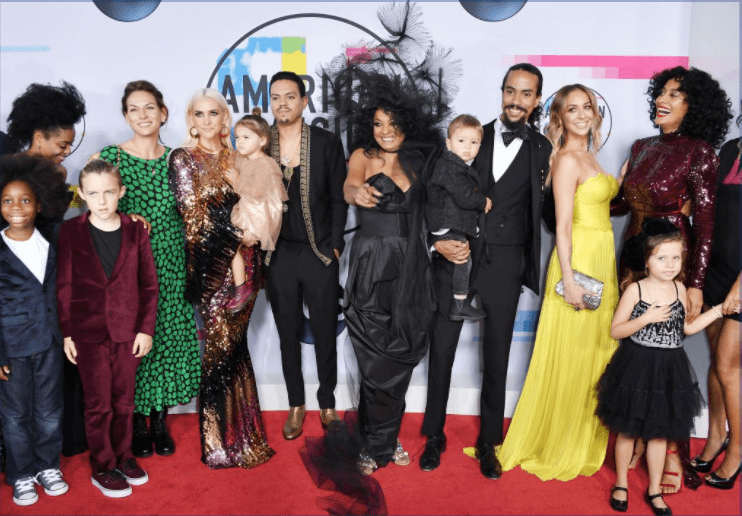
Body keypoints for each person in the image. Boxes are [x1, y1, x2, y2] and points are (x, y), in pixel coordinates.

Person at [420, 63, 551, 479]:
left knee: (497, 354)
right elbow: (431, 192)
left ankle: (489, 442)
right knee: (441, 348)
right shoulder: (472, 135)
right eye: (510, 90)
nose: (516, 100)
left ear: (536, 100)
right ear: (501, 92)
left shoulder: (543, 147)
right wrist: (435, 240)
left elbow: (545, 212)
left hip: (508, 262)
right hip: (457, 254)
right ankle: (434, 435)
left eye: (526, 93)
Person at [611, 66, 732, 493]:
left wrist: (695, 283)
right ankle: (638, 439)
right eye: (661, 92)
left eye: (675, 95)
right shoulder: (641, 146)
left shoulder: (700, 152)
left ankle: (674, 452)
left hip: (671, 260)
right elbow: (619, 205)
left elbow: (706, 225)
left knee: (666, 360)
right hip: (631, 258)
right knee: (636, 354)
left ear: (693, 106)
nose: (663, 99)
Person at [496, 84, 620, 481]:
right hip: (579, 260)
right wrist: (569, 281)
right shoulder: (566, 159)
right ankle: (561, 440)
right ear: (559, 117)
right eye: (572, 109)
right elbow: (562, 229)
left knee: (594, 354)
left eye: (588, 107)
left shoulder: (590, 156)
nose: (582, 114)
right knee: (573, 352)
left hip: (602, 259)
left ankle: (581, 433)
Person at [597, 218, 735, 516]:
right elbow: (616, 330)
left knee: (659, 433)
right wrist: (645, 319)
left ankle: (655, 488)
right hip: (637, 364)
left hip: (670, 367)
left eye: (676, 257)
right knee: (627, 431)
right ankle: (620, 482)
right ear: (647, 261)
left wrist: (718, 310)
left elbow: (687, 329)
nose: (670, 264)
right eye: (662, 258)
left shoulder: (680, 289)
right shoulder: (636, 290)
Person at [169, 88, 274, 469]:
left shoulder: (239, 156)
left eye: (214, 113)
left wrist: (256, 232)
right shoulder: (183, 159)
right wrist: (235, 236)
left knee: (236, 347)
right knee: (218, 350)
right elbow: (192, 217)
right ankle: (220, 443)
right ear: (191, 121)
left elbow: (262, 200)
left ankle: (246, 437)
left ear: (225, 118)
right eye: (199, 114)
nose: (207, 120)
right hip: (212, 267)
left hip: (248, 263)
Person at [96, 80, 199, 458]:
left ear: (163, 113)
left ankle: (160, 420)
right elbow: (94, 209)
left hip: (172, 264)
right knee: (135, 342)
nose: (142, 115)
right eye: (134, 109)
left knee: (168, 340)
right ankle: (137, 422)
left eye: (149, 107)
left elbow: (194, 211)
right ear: (125, 116)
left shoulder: (179, 158)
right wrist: (123, 216)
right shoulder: (110, 159)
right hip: (128, 269)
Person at [342, 75, 439, 474]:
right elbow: (349, 187)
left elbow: (441, 204)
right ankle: (375, 445)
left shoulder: (423, 159)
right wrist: (357, 193)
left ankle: (382, 436)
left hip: (412, 266)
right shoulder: (362, 156)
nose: (384, 132)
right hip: (371, 264)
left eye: (393, 123)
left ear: (408, 124)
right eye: (378, 123)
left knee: (401, 356)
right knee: (374, 358)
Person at [57, 160, 158, 498]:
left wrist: (145, 329)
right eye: (94, 194)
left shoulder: (135, 230)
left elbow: (148, 285)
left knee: (125, 401)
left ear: (121, 193)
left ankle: (124, 456)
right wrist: (68, 332)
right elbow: (65, 285)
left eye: (109, 193)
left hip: (128, 331)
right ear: (82, 194)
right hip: (87, 333)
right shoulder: (71, 232)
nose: (102, 201)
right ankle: (103, 465)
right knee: (98, 404)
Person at [263, 71, 348, 440]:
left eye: (290, 96)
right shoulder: (260, 144)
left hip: (318, 252)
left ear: (303, 101)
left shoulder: (327, 143)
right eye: (276, 97)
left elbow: (338, 198)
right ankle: (295, 405)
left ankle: (327, 401)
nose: (283, 103)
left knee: (326, 329)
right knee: (287, 332)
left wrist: (335, 245)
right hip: (278, 253)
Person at [0, 155, 70, 506]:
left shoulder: (50, 241)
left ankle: (47, 465)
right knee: (15, 415)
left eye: (25, 200)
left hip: (50, 341)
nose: (17, 207)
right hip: (12, 347)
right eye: (8, 200)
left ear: (39, 203)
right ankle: (22, 473)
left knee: (49, 410)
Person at [690, 129, 742, 489]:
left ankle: (737, 451)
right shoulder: (729, 149)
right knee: (715, 362)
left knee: (728, 366)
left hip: (741, 277)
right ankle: (714, 438)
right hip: (716, 271)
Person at [425, 114, 492, 321]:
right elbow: (464, 198)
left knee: (464, 261)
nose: (467, 147)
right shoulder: (449, 166)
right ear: (448, 143)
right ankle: (459, 305)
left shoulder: (456, 165)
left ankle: (459, 304)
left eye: (474, 142)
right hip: (445, 223)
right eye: (461, 141)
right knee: (464, 261)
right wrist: (483, 202)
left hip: (449, 221)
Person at [225, 107, 287, 313]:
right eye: (237, 137)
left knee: (232, 242)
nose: (239, 142)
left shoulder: (266, 164)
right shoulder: (241, 158)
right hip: (247, 209)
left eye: (246, 137)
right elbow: (231, 159)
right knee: (230, 244)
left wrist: (237, 182)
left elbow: (257, 192)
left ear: (262, 141)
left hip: (259, 214)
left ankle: (243, 286)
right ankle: (242, 284)